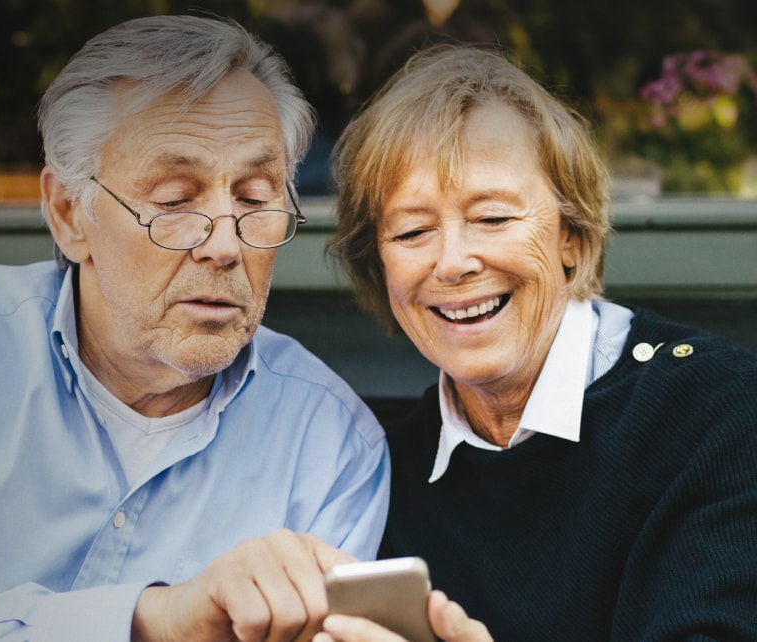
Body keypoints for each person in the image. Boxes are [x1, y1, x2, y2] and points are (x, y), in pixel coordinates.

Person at [0, 15, 392, 642]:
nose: (224, 245)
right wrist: (153, 622)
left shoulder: (331, 444)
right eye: (176, 199)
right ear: (69, 214)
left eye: (254, 197)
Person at [323, 44, 757, 641]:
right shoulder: (378, 466)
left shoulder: (719, 410)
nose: (452, 263)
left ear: (571, 237)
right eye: (413, 230)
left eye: (494, 218)